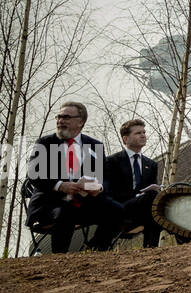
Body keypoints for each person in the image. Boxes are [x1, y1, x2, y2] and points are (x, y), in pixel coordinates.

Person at [24, 101, 124, 252]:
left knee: (117, 210)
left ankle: (95, 249)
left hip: (84, 202)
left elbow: (105, 177)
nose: (60, 121)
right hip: (50, 204)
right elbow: (33, 173)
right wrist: (60, 185)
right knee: (66, 211)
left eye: (66, 117)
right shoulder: (45, 143)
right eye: (58, 117)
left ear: (80, 121)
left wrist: (98, 187)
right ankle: (59, 259)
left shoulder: (94, 145)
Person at [103, 119, 165, 248]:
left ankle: (150, 248)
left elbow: (152, 189)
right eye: (138, 133)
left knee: (157, 200)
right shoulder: (112, 161)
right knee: (151, 199)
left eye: (144, 132)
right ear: (125, 139)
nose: (143, 135)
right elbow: (108, 192)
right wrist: (138, 196)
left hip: (144, 209)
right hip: (120, 208)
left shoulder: (151, 164)